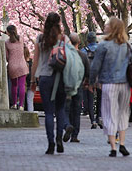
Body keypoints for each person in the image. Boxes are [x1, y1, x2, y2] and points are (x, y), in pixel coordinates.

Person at [89, 17, 132, 157]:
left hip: (109, 83)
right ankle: (122, 143)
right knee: (122, 113)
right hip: (125, 84)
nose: (104, 26)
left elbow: (95, 66)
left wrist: (91, 82)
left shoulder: (104, 45)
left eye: (107, 24)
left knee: (109, 114)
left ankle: (113, 147)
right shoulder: (126, 45)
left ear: (112, 27)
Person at [31, 12, 73, 155]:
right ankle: (59, 140)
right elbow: (71, 59)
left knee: (48, 112)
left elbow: (35, 61)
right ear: (59, 23)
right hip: (60, 78)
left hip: (45, 78)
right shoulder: (64, 39)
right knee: (60, 110)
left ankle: (51, 144)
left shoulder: (40, 39)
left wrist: (32, 79)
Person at [66, 32, 89, 143]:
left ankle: (68, 126)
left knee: (67, 109)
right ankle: (75, 135)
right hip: (78, 86)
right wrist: (86, 82)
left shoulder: (66, 55)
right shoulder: (83, 56)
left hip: (67, 86)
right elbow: (88, 72)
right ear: (79, 42)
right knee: (76, 110)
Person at [5, 25, 29, 111]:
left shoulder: (7, 42)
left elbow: (7, 56)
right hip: (22, 65)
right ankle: (21, 105)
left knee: (14, 86)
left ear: (8, 32)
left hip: (12, 66)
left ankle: (14, 104)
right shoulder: (21, 39)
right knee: (22, 85)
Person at [83, 31, 102, 128]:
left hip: (89, 77)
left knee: (89, 99)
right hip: (100, 77)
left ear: (87, 40)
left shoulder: (84, 50)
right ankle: (99, 117)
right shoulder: (101, 49)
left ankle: (92, 120)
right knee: (100, 98)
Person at [24, 45, 35, 112]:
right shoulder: (32, 62)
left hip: (24, 83)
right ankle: (31, 113)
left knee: (21, 100)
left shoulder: (22, 63)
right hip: (31, 82)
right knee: (30, 100)